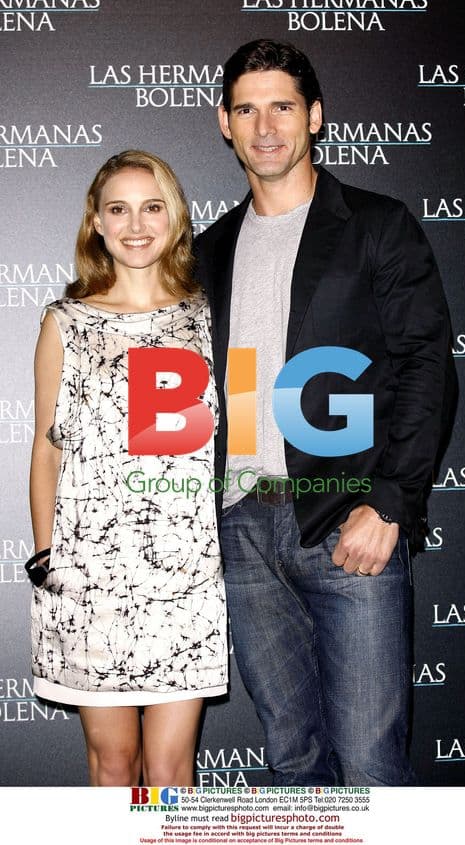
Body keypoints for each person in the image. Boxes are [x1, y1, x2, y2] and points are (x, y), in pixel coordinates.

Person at [194, 40, 456, 785]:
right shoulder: (208, 251)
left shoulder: (377, 224)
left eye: (282, 105)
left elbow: (426, 366)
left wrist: (392, 502)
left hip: (348, 519)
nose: (265, 125)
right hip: (242, 527)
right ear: (224, 123)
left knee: (372, 762)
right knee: (291, 760)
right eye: (247, 108)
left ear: (315, 117)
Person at [29, 150, 227, 786]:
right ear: (96, 221)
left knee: (171, 768)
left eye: (152, 207)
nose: (135, 224)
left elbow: (245, 435)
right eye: (119, 208)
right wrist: (45, 555)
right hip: (90, 578)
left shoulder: (213, 319)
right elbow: (47, 446)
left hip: (187, 577)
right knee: (113, 763)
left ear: (176, 219)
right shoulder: (66, 323)